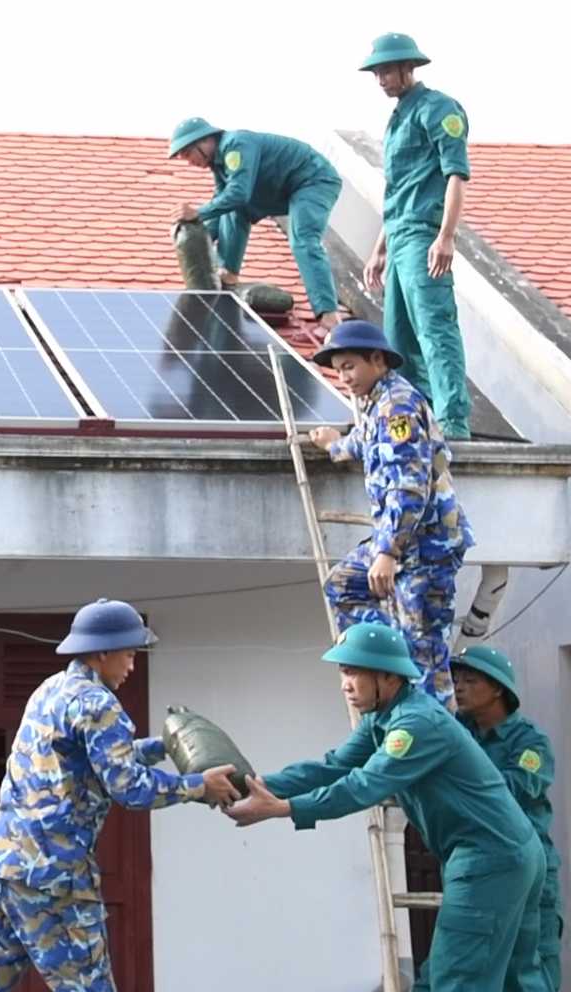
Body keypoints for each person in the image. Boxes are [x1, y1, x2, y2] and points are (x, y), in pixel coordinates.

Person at [225, 622, 560, 992]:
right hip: (511, 853)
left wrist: (284, 809)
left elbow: (363, 785)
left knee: (457, 987)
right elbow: (331, 768)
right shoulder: (383, 719)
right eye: (342, 673)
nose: (344, 684)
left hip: (489, 858)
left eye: (352, 672)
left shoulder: (415, 724)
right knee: (522, 983)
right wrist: (253, 784)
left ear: (386, 675)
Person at [0, 599, 240, 992]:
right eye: (130, 654)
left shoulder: (50, 690)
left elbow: (94, 761)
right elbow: (129, 789)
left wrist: (164, 746)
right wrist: (197, 786)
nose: (132, 666)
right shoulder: (98, 704)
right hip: (52, 877)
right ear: (103, 653)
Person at [307, 319, 474, 706]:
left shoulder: (397, 406)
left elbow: (409, 483)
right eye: (339, 369)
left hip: (425, 547)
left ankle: (438, 744)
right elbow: (367, 445)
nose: (344, 377)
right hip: (403, 543)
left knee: (426, 656)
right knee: (344, 586)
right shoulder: (377, 403)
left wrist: (387, 552)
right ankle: (385, 654)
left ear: (377, 360)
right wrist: (335, 445)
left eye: (350, 366)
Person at [359, 32, 474, 438]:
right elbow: (397, 193)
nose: (381, 80)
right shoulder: (396, 120)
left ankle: (454, 421)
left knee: (434, 326)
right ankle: (409, 423)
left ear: (409, 67)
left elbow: (455, 174)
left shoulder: (438, 108)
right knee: (397, 341)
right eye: (377, 72)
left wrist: (446, 236)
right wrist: (378, 250)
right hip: (399, 235)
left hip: (424, 235)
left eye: (387, 70)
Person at [453, 645, 565, 992]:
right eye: (457, 680)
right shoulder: (458, 732)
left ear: (498, 688)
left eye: (470, 681)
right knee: (480, 978)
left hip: (529, 870)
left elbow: (513, 791)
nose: (459, 688)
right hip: (481, 869)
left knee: (534, 978)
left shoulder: (530, 741)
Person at [168, 117, 346, 326]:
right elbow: (221, 203)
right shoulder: (218, 164)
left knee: (303, 240)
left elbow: (239, 194)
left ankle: (328, 315)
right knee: (232, 209)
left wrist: (197, 212)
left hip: (312, 181)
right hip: (277, 190)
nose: (189, 162)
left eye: (188, 154)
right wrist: (195, 235)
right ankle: (228, 273)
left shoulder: (235, 145)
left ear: (205, 140)